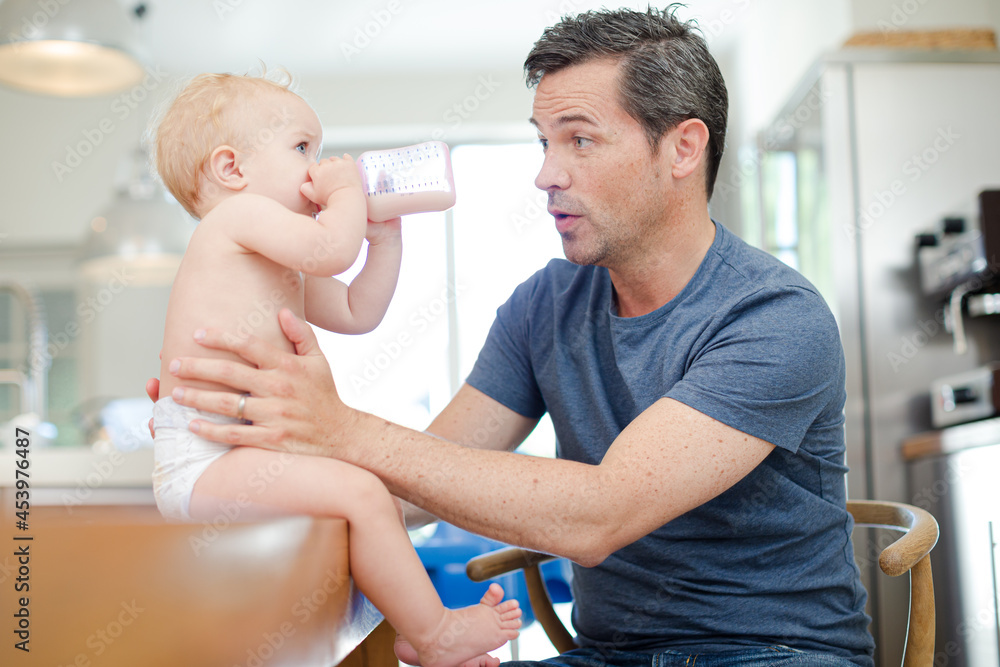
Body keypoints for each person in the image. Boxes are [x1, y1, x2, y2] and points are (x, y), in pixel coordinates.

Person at [149, 8, 876, 667]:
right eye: (543, 142)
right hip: (609, 654)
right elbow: (423, 480)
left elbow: (601, 514)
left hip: (773, 652)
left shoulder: (774, 317)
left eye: (580, 140)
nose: (545, 174)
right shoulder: (546, 306)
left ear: (682, 148)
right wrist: (245, 432)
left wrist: (338, 428)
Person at [150, 71, 521, 667]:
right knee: (360, 491)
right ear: (232, 170)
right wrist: (348, 195)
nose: (318, 168)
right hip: (205, 461)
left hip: (249, 448)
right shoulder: (235, 222)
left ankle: (406, 632)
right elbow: (330, 248)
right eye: (302, 149)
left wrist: (386, 241)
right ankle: (432, 635)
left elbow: (357, 310)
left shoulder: (279, 257)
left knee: (354, 498)